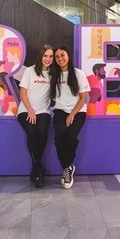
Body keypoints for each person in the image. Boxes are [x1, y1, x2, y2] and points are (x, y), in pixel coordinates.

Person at [49, 46, 90, 189]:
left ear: (68, 56)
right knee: (59, 137)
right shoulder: (54, 74)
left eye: (62, 55)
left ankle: (67, 168)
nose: (60, 58)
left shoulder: (78, 74)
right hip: (60, 110)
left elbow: (83, 98)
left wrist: (72, 114)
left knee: (71, 136)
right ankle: (68, 168)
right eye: (57, 57)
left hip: (78, 110)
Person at [17, 44, 55, 188]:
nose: (48, 59)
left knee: (42, 131)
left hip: (43, 110)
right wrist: (30, 111)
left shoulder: (53, 73)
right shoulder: (30, 71)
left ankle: (36, 166)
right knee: (31, 132)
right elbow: (23, 93)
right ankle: (38, 166)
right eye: (45, 55)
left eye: (50, 56)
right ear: (41, 56)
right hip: (25, 110)